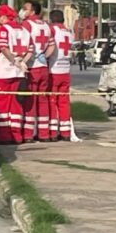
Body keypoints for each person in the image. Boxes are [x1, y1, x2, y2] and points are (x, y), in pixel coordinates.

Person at [0, 5, 31, 144]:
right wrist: (22, 63)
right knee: (16, 104)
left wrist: (14, 61)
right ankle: (17, 134)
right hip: (19, 72)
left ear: (3, 17)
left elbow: (3, 48)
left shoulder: (3, 29)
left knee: (1, 103)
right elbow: (30, 50)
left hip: (4, 71)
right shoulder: (25, 30)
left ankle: (4, 135)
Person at [20, 0, 55, 142]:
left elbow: (22, 45)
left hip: (31, 67)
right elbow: (52, 47)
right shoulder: (46, 26)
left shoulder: (26, 25)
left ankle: (28, 134)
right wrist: (43, 57)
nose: (22, 11)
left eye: (25, 8)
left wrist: (24, 61)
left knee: (30, 100)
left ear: (32, 11)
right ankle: (44, 133)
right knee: (43, 100)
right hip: (43, 67)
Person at [48, 10, 73, 141]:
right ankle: (65, 131)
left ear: (52, 19)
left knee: (52, 101)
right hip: (66, 70)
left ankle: (52, 132)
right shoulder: (68, 32)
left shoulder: (52, 30)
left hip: (53, 70)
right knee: (64, 102)